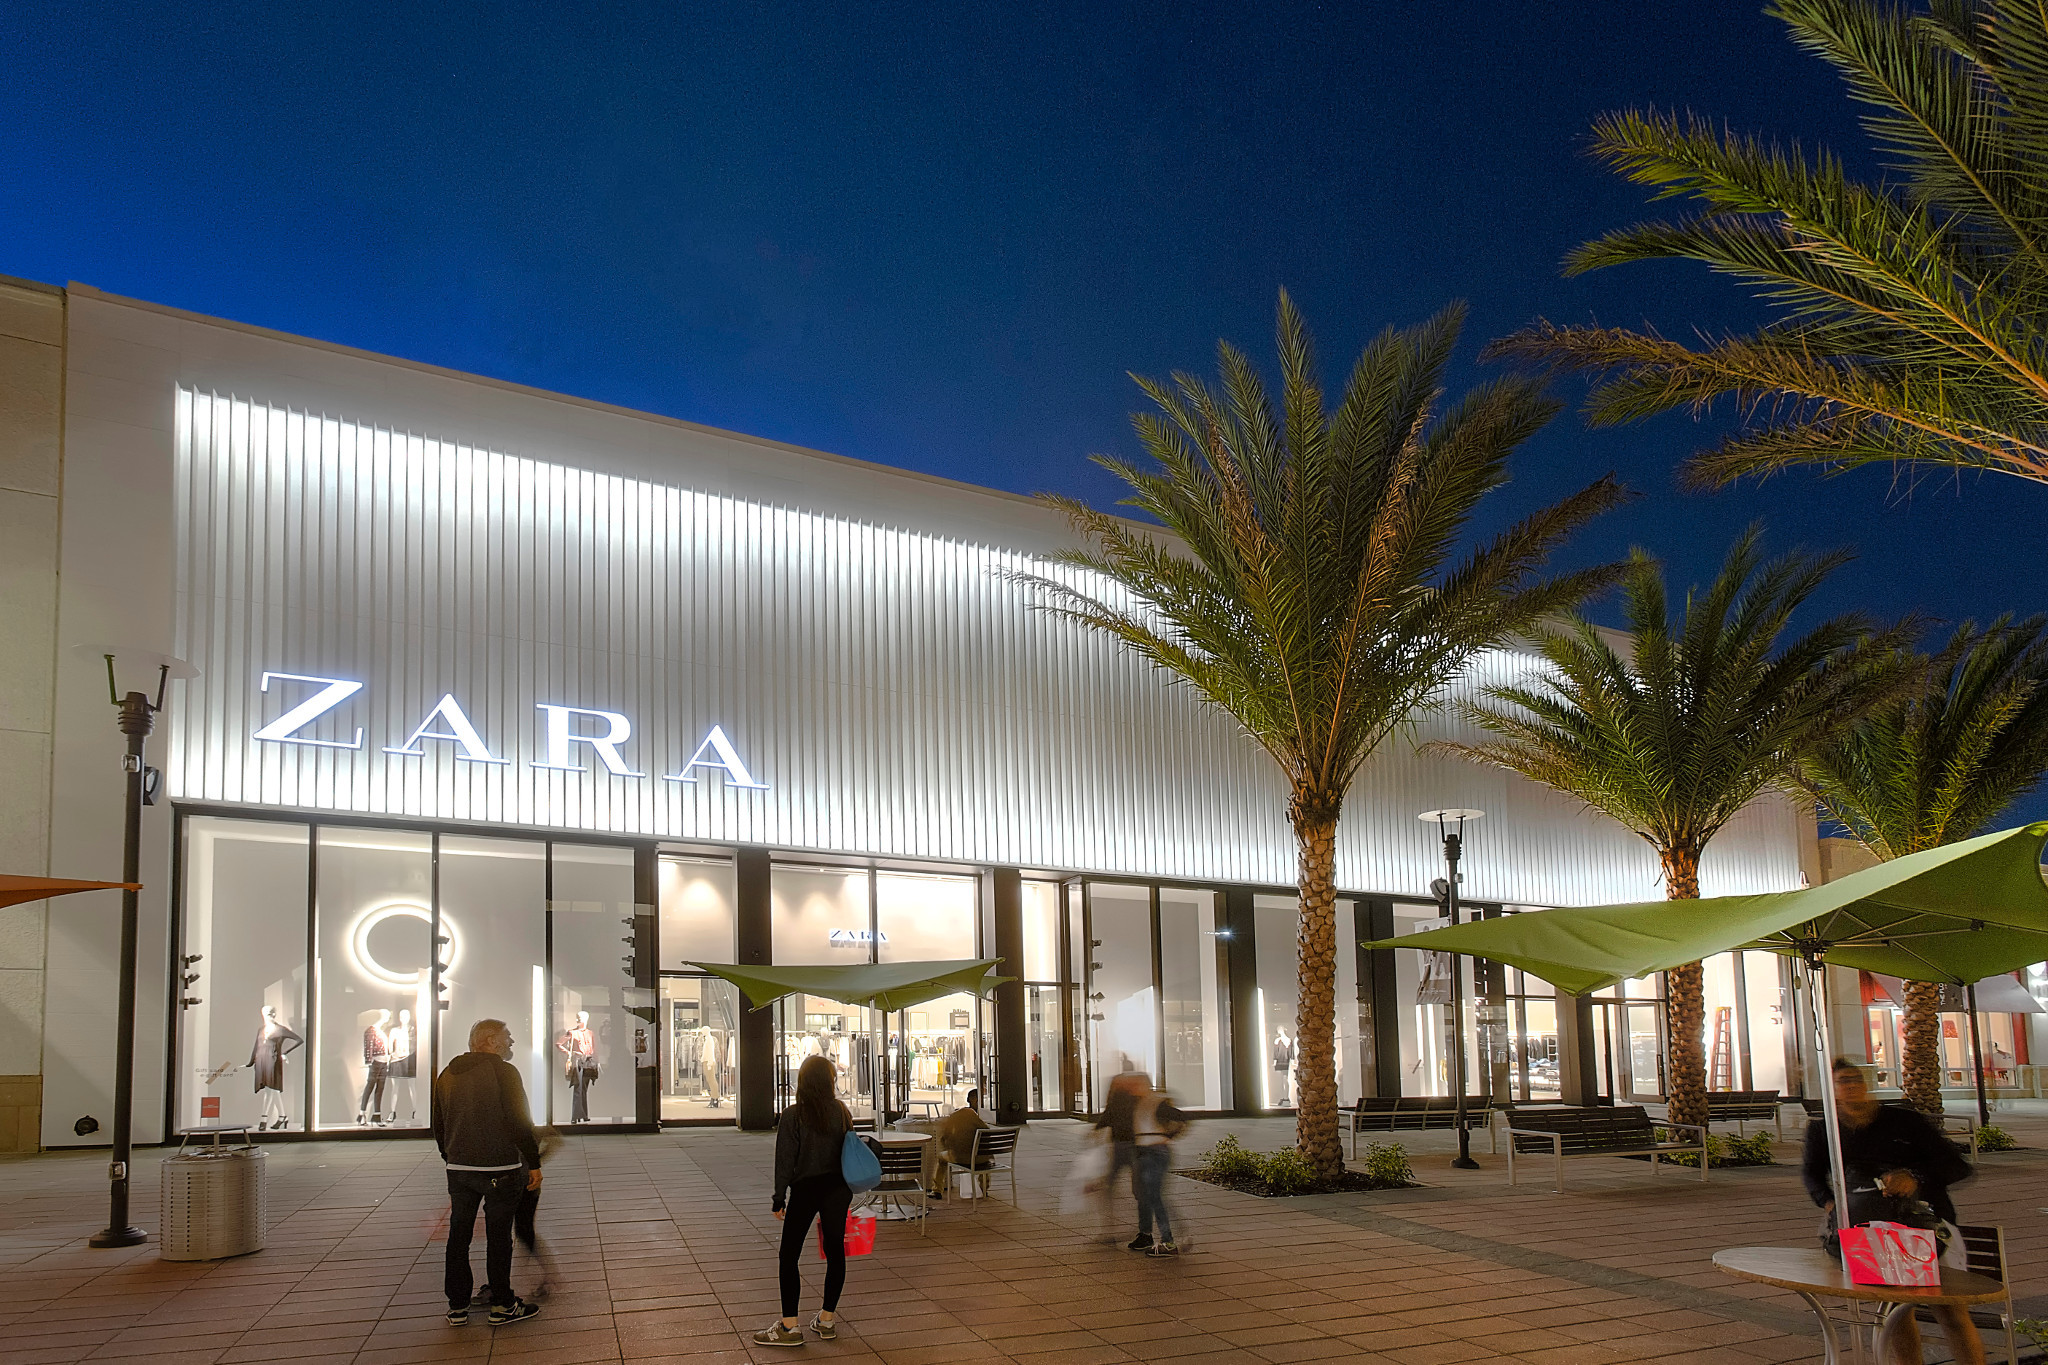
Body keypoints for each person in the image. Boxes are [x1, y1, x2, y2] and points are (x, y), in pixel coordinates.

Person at [1802, 1058, 1981, 1365]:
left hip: (1926, 1228)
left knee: (1950, 1311)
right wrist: (1828, 1202)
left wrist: (1915, 1177)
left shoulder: (1904, 1122)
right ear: (1830, 1091)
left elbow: (1957, 1166)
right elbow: (1812, 1173)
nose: (1852, 1086)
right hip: (1873, 1235)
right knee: (1895, 1314)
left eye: (1856, 1079)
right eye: (1843, 1081)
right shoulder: (1824, 1131)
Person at [433, 1018, 543, 1328]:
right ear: (490, 1041)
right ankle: (502, 1304)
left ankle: (457, 1306)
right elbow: (520, 1122)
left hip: (459, 1170)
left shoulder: (447, 1074)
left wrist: (450, 1156)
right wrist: (533, 1163)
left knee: (459, 1236)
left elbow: (438, 1124)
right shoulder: (504, 1072)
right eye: (507, 1037)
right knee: (499, 1238)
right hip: (501, 1168)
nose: (511, 1042)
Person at [756, 1055, 854, 1348]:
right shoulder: (841, 1111)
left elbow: (784, 1161)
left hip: (805, 1190)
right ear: (829, 1081)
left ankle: (790, 1326)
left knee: (789, 1255)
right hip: (838, 1189)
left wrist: (778, 1197)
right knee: (836, 1252)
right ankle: (826, 1320)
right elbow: (850, 1150)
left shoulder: (793, 1115)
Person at [1130, 1077, 1188, 1256]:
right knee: (1147, 1195)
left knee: (1154, 1196)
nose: (1133, 1089)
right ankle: (1156, 1236)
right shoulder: (1142, 1103)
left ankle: (1169, 1241)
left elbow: (1182, 1118)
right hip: (1146, 1152)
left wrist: (1168, 1136)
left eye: (1136, 1085)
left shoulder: (1155, 1102)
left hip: (1155, 1152)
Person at [1091, 1071, 1146, 1247]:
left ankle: (1110, 1230)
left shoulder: (1118, 1099)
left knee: (1110, 1188)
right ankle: (1143, 1231)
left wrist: (1095, 1132)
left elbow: (1105, 1119)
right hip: (1133, 1147)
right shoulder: (1135, 1099)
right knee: (1138, 1191)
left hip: (1122, 1148)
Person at [932, 1087, 992, 1198]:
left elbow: (943, 1138)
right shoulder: (977, 1118)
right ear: (977, 1100)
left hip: (960, 1157)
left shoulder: (957, 1116)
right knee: (985, 1157)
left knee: (941, 1158)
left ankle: (937, 1190)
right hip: (981, 1159)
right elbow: (987, 1134)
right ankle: (984, 1189)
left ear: (969, 1100)